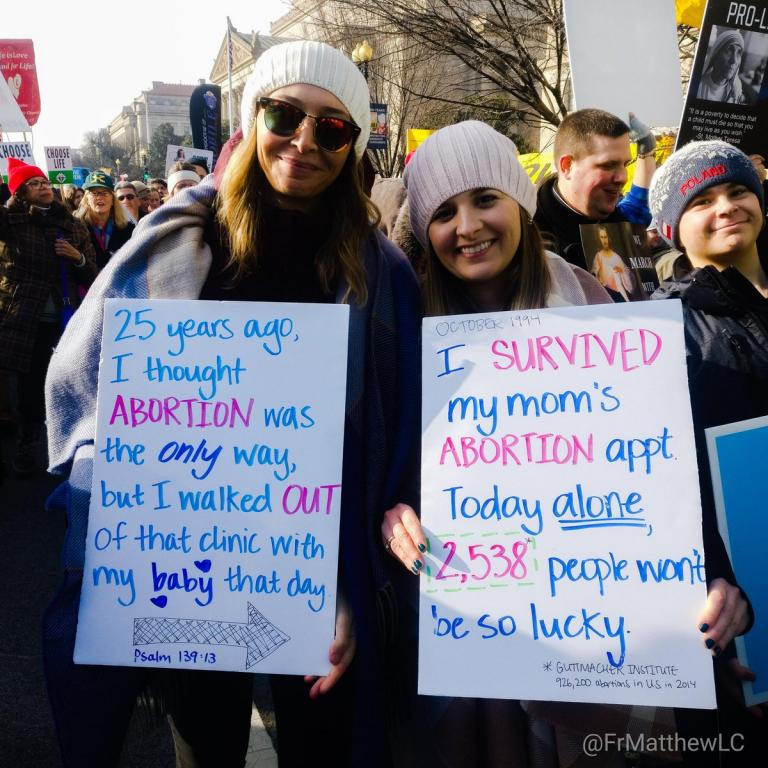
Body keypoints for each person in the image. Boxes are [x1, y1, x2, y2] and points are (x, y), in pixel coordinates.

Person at [42, 39, 420, 768]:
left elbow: (393, 431)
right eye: (284, 114)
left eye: (334, 127)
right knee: (206, 744)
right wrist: (107, 499)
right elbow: (88, 384)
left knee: (322, 746)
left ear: (352, 146)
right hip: (186, 565)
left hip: (319, 560)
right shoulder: (176, 239)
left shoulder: (380, 270)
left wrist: (342, 582)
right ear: (254, 119)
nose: (305, 140)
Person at [650, 139, 763, 766]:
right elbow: (666, 474)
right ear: (674, 227)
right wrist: (713, 578)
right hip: (733, 599)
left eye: (738, 191)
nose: (726, 208)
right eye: (703, 200)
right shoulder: (660, 326)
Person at [0, 159, 97, 475]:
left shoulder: (71, 224)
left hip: (62, 321)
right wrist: (13, 192)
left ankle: (66, 448)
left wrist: (77, 257)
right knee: (25, 389)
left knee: (63, 386)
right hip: (20, 319)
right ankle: (26, 444)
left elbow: (93, 275)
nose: (43, 186)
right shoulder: (10, 221)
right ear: (20, 193)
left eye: (44, 182)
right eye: (34, 183)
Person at [535, 109, 656, 269]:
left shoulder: (617, 221)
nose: (623, 177)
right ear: (567, 166)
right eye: (607, 165)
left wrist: (647, 150)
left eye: (625, 164)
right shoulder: (527, 233)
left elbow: (638, 208)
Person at [74, 172, 134, 270]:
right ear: (86, 199)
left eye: (105, 193)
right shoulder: (76, 228)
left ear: (112, 200)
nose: (99, 197)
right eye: (94, 193)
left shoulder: (127, 229)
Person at [697, 29, 745, 104]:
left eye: (739, 53)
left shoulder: (736, 91)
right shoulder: (698, 86)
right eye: (729, 50)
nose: (734, 61)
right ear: (716, 54)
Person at [591, 224, 635, 301]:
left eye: (605, 237)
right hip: (607, 295)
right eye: (602, 237)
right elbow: (594, 275)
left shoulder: (616, 256)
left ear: (609, 238)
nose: (604, 240)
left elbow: (627, 272)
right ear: (599, 239)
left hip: (621, 293)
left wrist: (621, 271)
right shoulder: (599, 256)